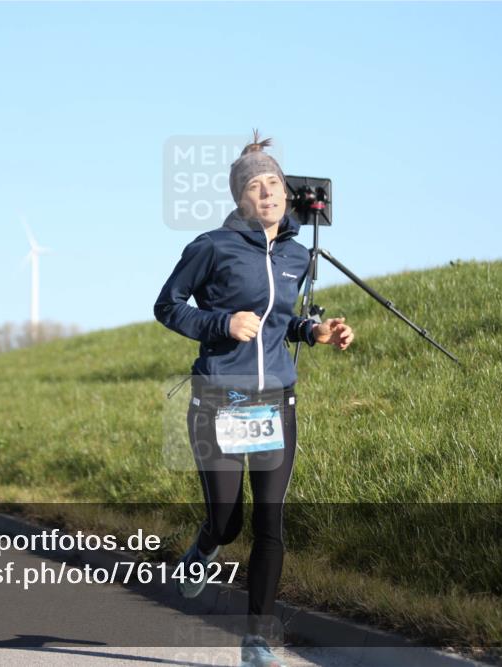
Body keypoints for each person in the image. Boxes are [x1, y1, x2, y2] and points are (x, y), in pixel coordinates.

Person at [155, 132, 353, 667]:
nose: (266, 193)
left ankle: (258, 638)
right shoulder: (210, 247)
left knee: (271, 521)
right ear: (239, 198)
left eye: (273, 184)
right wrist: (221, 321)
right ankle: (204, 547)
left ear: (286, 194)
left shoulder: (295, 255)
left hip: (276, 400)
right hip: (221, 394)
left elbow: (283, 319)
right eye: (254, 186)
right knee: (227, 521)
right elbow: (168, 306)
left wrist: (315, 333)